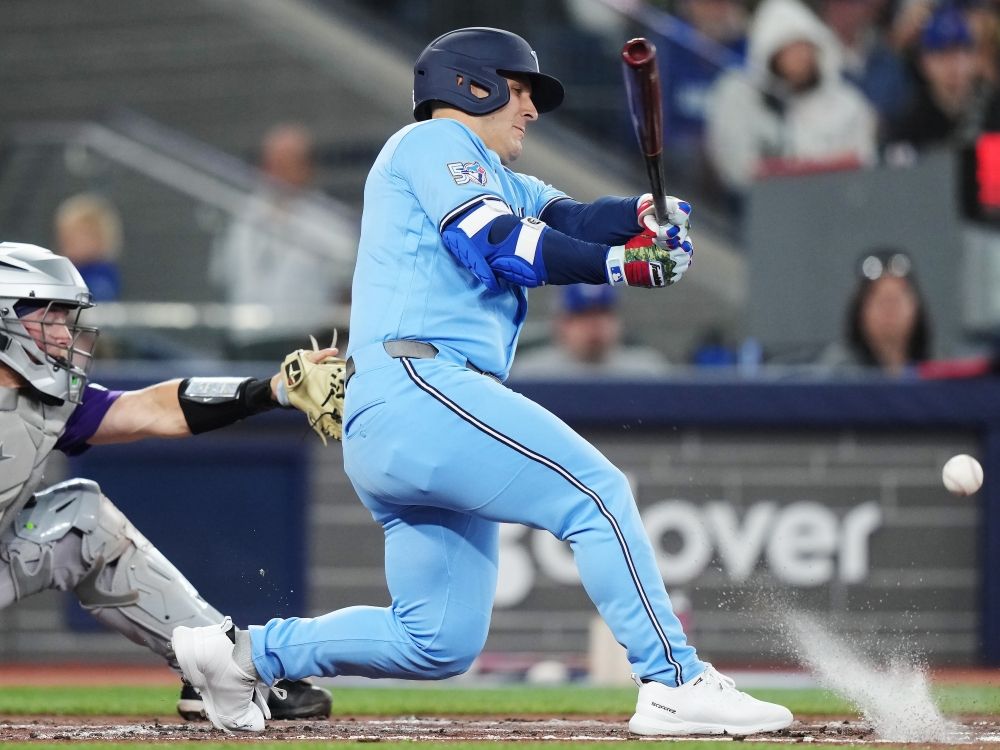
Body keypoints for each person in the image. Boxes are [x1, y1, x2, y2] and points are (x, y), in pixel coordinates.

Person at [172, 26, 792, 737]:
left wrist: (642, 217)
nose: (530, 110)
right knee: (596, 494)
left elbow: (569, 217)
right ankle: (674, 681)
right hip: (419, 383)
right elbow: (494, 242)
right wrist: (623, 267)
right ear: (475, 85)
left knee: (436, 641)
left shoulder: (491, 171)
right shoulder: (435, 144)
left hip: (404, 415)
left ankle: (244, 656)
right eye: (521, 91)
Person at [0, 242, 332, 721]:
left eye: (64, 317)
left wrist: (270, 391)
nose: (62, 333)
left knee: (82, 518)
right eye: (48, 317)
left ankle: (222, 668)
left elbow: (151, 408)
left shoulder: (48, 401)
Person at [210, 123, 356, 359]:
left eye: (287, 163)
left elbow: (347, 287)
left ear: (306, 167)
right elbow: (225, 275)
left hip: (301, 341)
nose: (276, 172)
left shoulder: (329, 223)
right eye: (272, 163)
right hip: (244, 342)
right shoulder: (241, 218)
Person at [704, 0, 878, 197]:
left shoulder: (848, 103)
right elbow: (737, 169)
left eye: (805, 48)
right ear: (771, 53)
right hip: (759, 209)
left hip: (835, 204)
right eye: (791, 49)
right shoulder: (740, 95)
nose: (800, 58)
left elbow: (864, 161)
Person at [511, 284, 670, 378]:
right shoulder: (533, 374)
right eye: (582, 315)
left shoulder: (649, 372)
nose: (595, 324)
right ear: (561, 323)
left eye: (603, 313)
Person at [817, 248, 931, 374]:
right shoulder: (838, 372)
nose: (890, 309)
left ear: (916, 306)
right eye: (880, 300)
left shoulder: (937, 371)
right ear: (860, 309)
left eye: (897, 299)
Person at [54, 193, 123, 302]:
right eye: (64, 237)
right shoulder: (65, 270)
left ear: (98, 239)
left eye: (74, 237)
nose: (66, 243)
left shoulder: (101, 274)